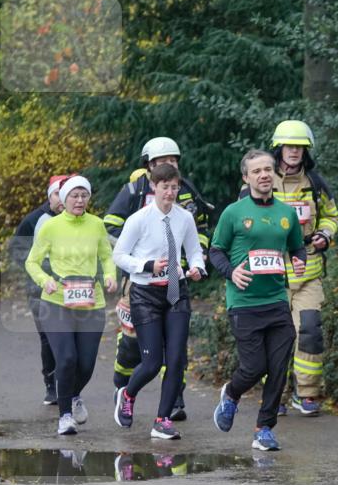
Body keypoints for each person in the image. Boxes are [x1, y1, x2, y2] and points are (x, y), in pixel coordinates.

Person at [103, 137, 213, 421]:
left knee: (176, 356)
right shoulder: (135, 200)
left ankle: (169, 408)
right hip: (141, 286)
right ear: (151, 172)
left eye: (173, 162)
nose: (171, 190)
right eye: (162, 164)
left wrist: (195, 265)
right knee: (139, 351)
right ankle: (124, 390)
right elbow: (113, 235)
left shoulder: (185, 197)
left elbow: (198, 236)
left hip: (176, 286)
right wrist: (144, 264)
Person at [209, 149, 307, 451]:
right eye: (257, 171)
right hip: (244, 303)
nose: (264, 175)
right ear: (246, 177)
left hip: (277, 300)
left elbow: (297, 248)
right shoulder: (233, 213)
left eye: (268, 169)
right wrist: (231, 273)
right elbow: (216, 250)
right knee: (254, 367)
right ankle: (231, 394)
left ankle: (264, 428)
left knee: (278, 368)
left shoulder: (286, 214)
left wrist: (298, 260)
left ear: (274, 174)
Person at [242, 120, 338, 416]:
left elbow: (331, 216)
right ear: (279, 149)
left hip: (308, 273)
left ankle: (306, 394)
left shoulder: (315, 184)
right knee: (275, 337)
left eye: (299, 146)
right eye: (289, 146)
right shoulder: (260, 181)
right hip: (269, 277)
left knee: (309, 331)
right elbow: (240, 222)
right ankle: (276, 396)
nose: (294, 151)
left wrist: (325, 233)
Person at [25, 175, 117, 435]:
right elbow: (31, 262)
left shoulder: (96, 225)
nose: (79, 200)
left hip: (91, 302)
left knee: (86, 364)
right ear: (63, 200)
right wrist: (45, 281)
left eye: (83, 195)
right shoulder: (50, 227)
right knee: (66, 359)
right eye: (74, 196)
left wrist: (110, 276)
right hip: (56, 302)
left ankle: (75, 394)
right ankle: (65, 415)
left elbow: (106, 257)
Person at [11, 174, 68, 405]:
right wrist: (41, 271)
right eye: (57, 194)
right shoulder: (34, 220)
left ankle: (69, 384)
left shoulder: (80, 220)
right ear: (50, 195)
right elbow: (17, 250)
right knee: (48, 337)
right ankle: (51, 385)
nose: (62, 199)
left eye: (67, 194)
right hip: (39, 288)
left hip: (73, 289)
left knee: (72, 336)